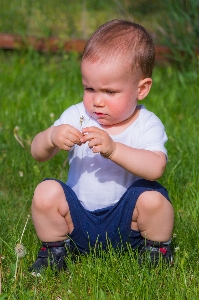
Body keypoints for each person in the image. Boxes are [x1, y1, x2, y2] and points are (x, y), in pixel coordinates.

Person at [29, 19, 174, 274]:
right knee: (45, 191)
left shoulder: (146, 123)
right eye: (89, 88)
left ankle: (156, 251)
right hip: (78, 222)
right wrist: (51, 137)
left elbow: (155, 168)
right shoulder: (78, 115)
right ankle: (55, 251)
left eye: (110, 91)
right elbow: (37, 153)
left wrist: (114, 149)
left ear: (141, 89)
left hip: (128, 225)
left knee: (154, 199)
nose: (97, 100)